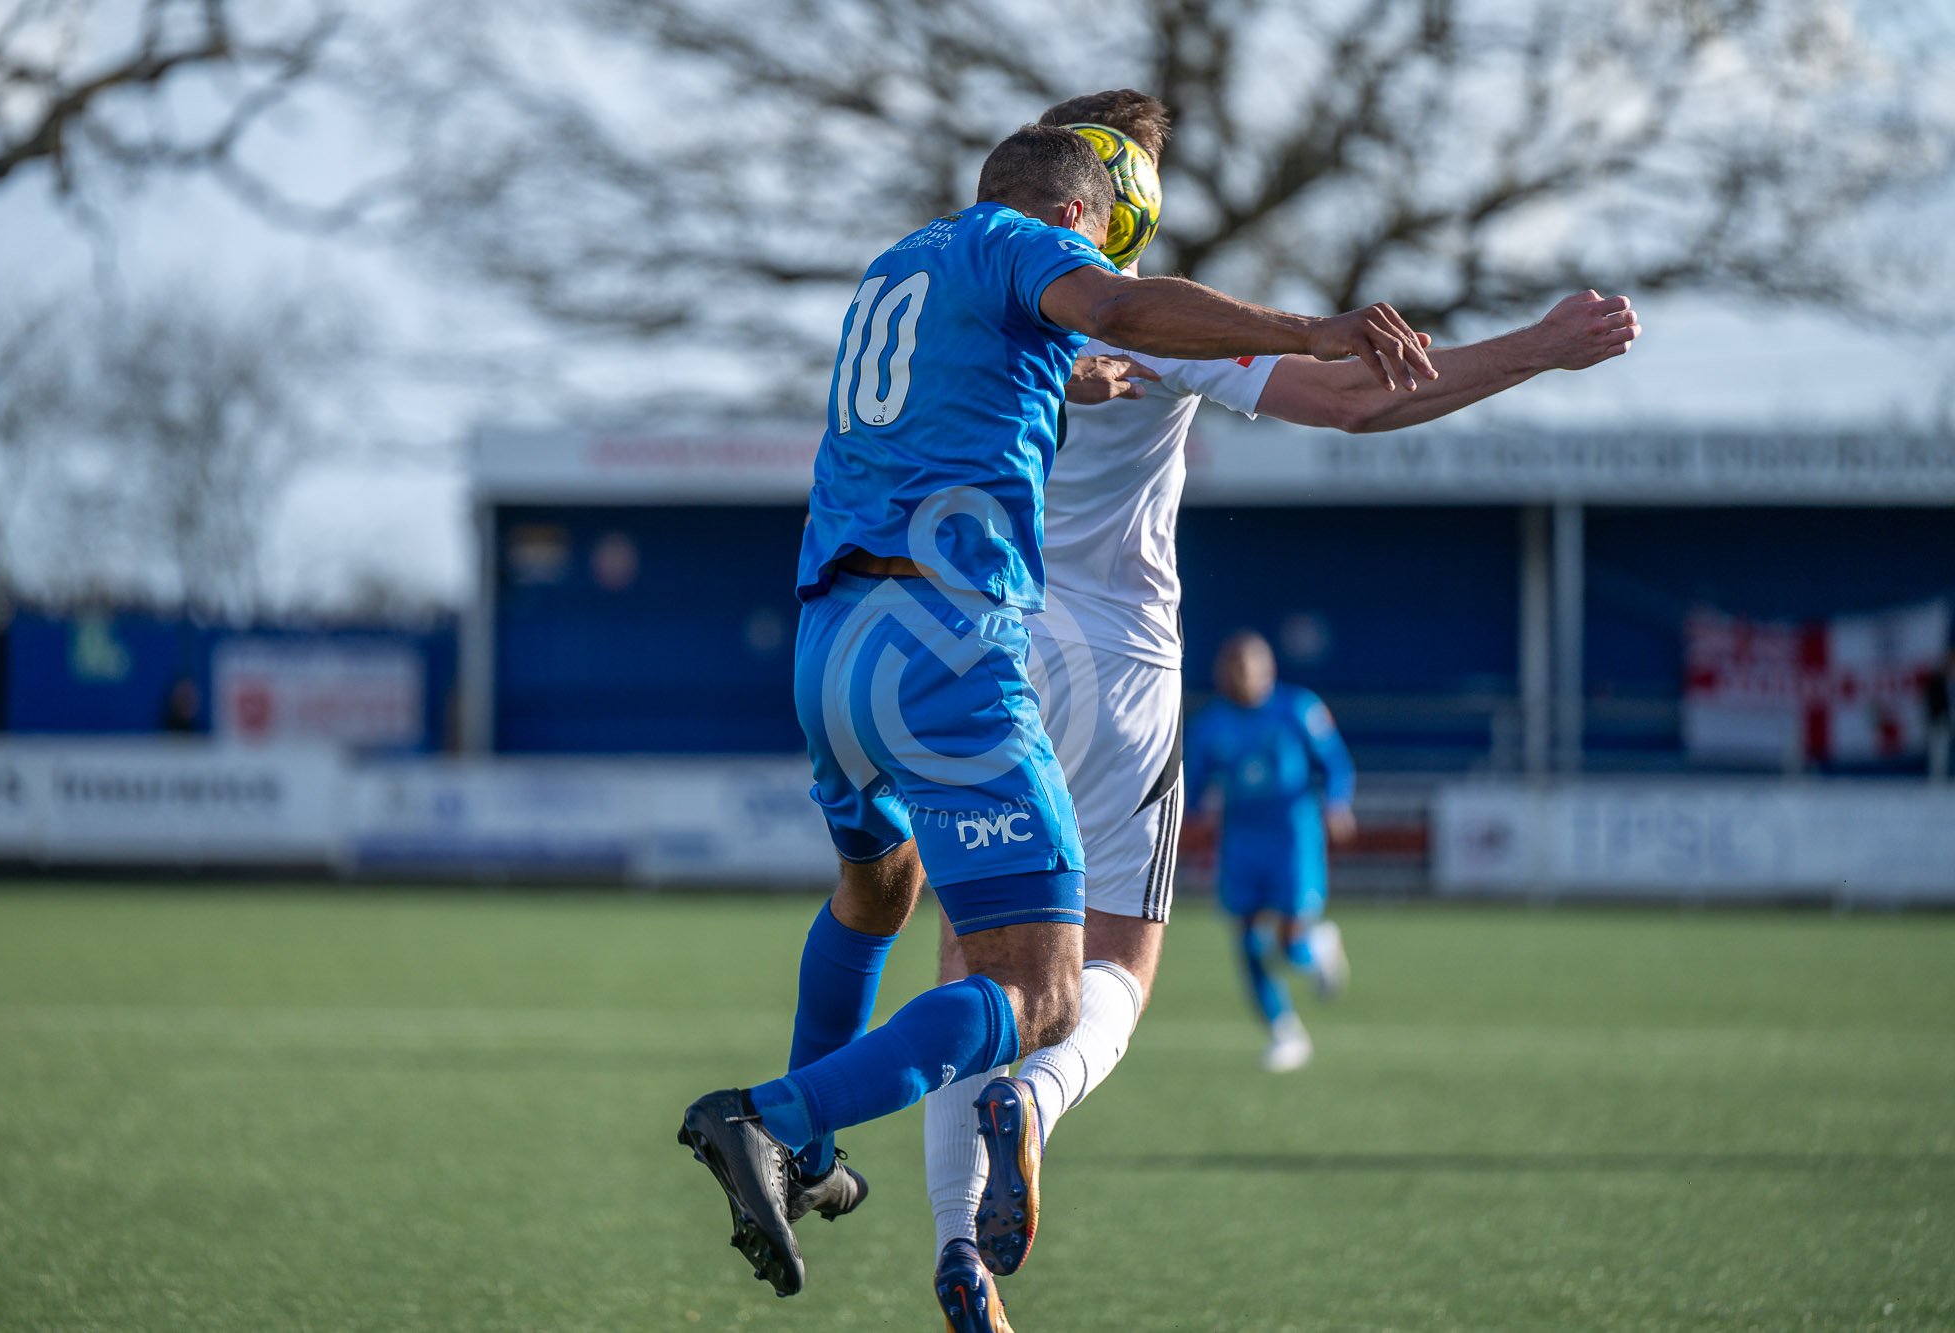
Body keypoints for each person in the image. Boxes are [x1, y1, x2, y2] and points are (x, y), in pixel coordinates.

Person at [675, 123, 1439, 1303]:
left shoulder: (902, 265)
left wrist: (1071, 372)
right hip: (944, 645)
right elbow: (1119, 310)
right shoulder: (1027, 247)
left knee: (878, 887)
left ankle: (813, 1159)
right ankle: (772, 1119)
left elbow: (997, 371)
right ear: (1080, 219)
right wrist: (1306, 326)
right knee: (1045, 994)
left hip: (828, 642)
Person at [918, 90, 1642, 1330]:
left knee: (968, 972)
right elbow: (1365, 402)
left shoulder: (948, 296)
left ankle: (954, 1252)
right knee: (1115, 977)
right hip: (1120, 668)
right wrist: (1533, 345)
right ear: (1110, 197)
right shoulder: (1160, 316)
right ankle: (1033, 1106)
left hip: (973, 650)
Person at [1187, 632, 1357, 1070]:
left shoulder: (1298, 708)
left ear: (1269, 669)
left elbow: (1335, 763)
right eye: (1235, 668)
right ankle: (1285, 1033)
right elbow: (1192, 784)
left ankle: (1319, 945)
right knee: (1246, 938)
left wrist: (1337, 804)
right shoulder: (1212, 724)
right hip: (1242, 841)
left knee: (1290, 940)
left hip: (1293, 837)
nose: (1244, 676)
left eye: (1251, 666)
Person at [1927, 649, 1954, 782]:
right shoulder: (1937, 681)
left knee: (1943, 750)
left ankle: (1941, 776)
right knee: (1937, 750)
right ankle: (1937, 778)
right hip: (1939, 719)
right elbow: (1933, 701)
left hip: (1948, 718)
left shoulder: (1950, 680)